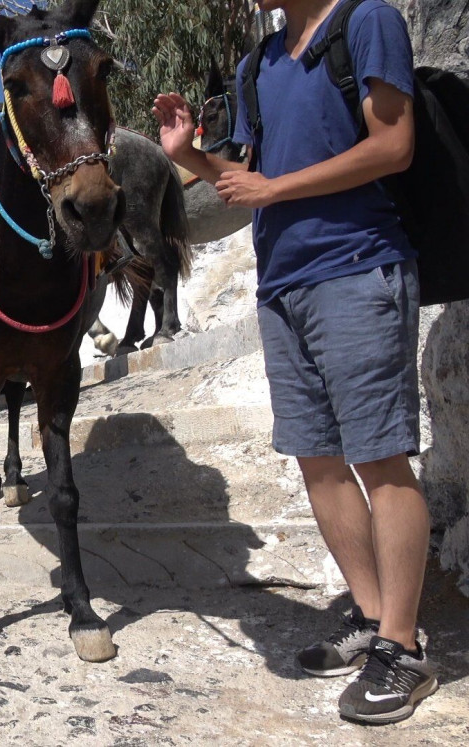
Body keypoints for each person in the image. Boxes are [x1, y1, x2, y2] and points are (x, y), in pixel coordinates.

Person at [152, 0, 436, 725]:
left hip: (359, 267)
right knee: (317, 458)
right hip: (282, 286)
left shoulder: (366, 21)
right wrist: (190, 155)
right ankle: (373, 620)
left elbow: (393, 144)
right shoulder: (258, 64)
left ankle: (403, 648)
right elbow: (247, 180)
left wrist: (273, 188)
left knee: (381, 457)